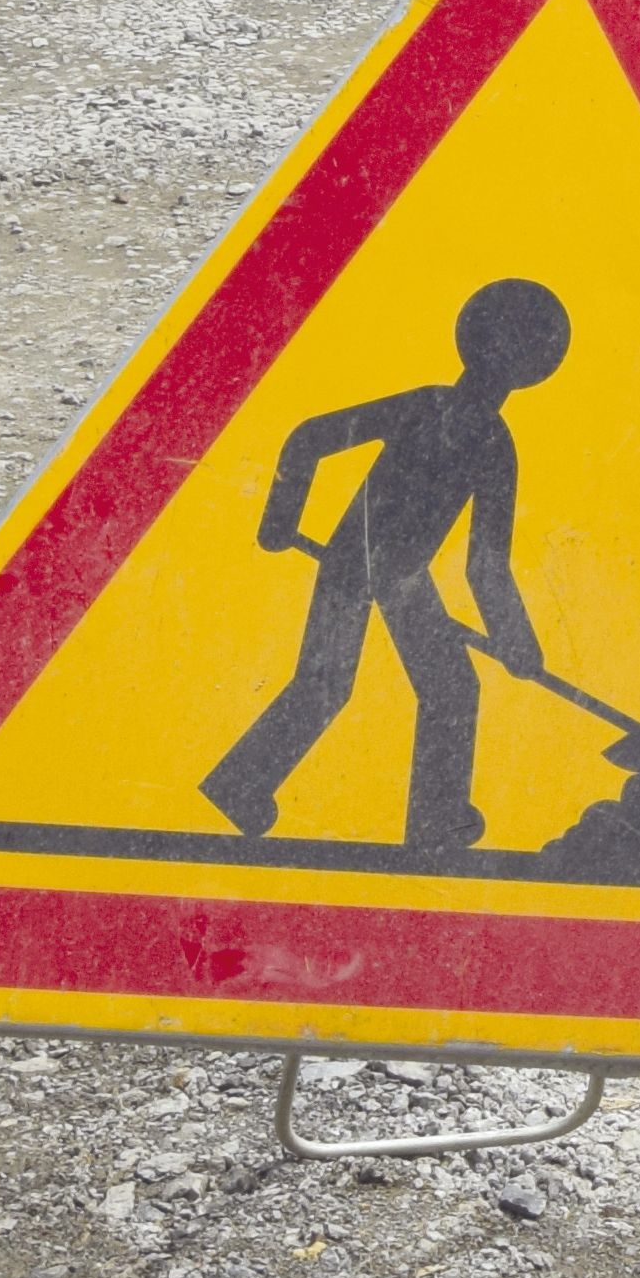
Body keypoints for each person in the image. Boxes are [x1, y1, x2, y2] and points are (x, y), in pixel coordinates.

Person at [198, 278, 570, 852]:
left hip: (401, 577)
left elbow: (485, 562)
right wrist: (278, 517)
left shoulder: (474, 432)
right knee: (331, 685)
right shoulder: (452, 420)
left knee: (441, 689)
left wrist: (518, 642)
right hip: (356, 561)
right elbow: (310, 439)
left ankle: (435, 820)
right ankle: (243, 787)